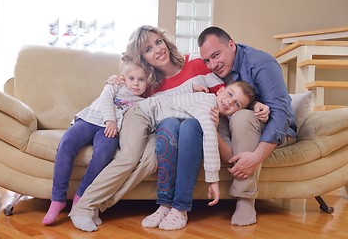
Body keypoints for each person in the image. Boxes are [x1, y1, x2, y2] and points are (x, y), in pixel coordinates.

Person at [68, 25, 235, 232]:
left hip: (170, 129)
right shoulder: (149, 82)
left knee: (149, 162)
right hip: (147, 121)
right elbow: (137, 99)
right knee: (129, 158)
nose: (157, 50)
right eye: (148, 49)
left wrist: (250, 106)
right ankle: (83, 207)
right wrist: (114, 83)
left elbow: (227, 95)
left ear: (165, 42)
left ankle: (99, 206)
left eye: (158, 42)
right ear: (142, 58)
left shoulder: (196, 63)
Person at [197, 26, 297, 226]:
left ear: (232, 45)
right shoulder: (215, 73)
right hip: (233, 132)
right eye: (207, 60)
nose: (213, 65)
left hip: (277, 131)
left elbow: (281, 114)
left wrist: (257, 156)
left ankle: (245, 200)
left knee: (241, 117)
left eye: (216, 55)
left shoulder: (261, 63)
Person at [42, 56, 152, 225]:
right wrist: (110, 120)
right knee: (66, 144)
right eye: (131, 78)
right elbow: (105, 99)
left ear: (148, 82)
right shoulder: (115, 84)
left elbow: (164, 99)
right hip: (91, 119)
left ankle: (82, 197)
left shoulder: (143, 101)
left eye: (141, 80)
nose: (136, 84)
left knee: (104, 153)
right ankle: (57, 199)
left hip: (109, 131)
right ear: (124, 77)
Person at [141, 81, 255, 230]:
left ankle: (180, 207)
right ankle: (164, 204)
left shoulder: (220, 122)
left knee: (191, 125)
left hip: (192, 136)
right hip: (167, 124)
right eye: (229, 94)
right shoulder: (202, 100)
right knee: (169, 123)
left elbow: (228, 156)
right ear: (220, 90)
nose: (229, 102)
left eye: (237, 104)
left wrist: (214, 129)